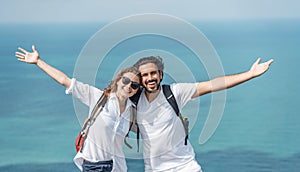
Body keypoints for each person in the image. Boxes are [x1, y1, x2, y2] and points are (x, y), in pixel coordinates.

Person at [133, 56, 274, 172]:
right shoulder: (135, 101)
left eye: (153, 73)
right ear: (140, 79)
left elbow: (211, 85)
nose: (150, 78)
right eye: (145, 75)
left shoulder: (175, 93)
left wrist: (249, 74)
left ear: (160, 74)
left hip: (185, 167)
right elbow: (114, 100)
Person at [15, 45, 141, 172]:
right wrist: (38, 62)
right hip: (94, 166)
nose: (129, 86)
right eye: (126, 80)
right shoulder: (97, 96)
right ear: (118, 80)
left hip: (118, 167)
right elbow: (65, 80)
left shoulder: (132, 112)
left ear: (136, 90)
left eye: (134, 85)